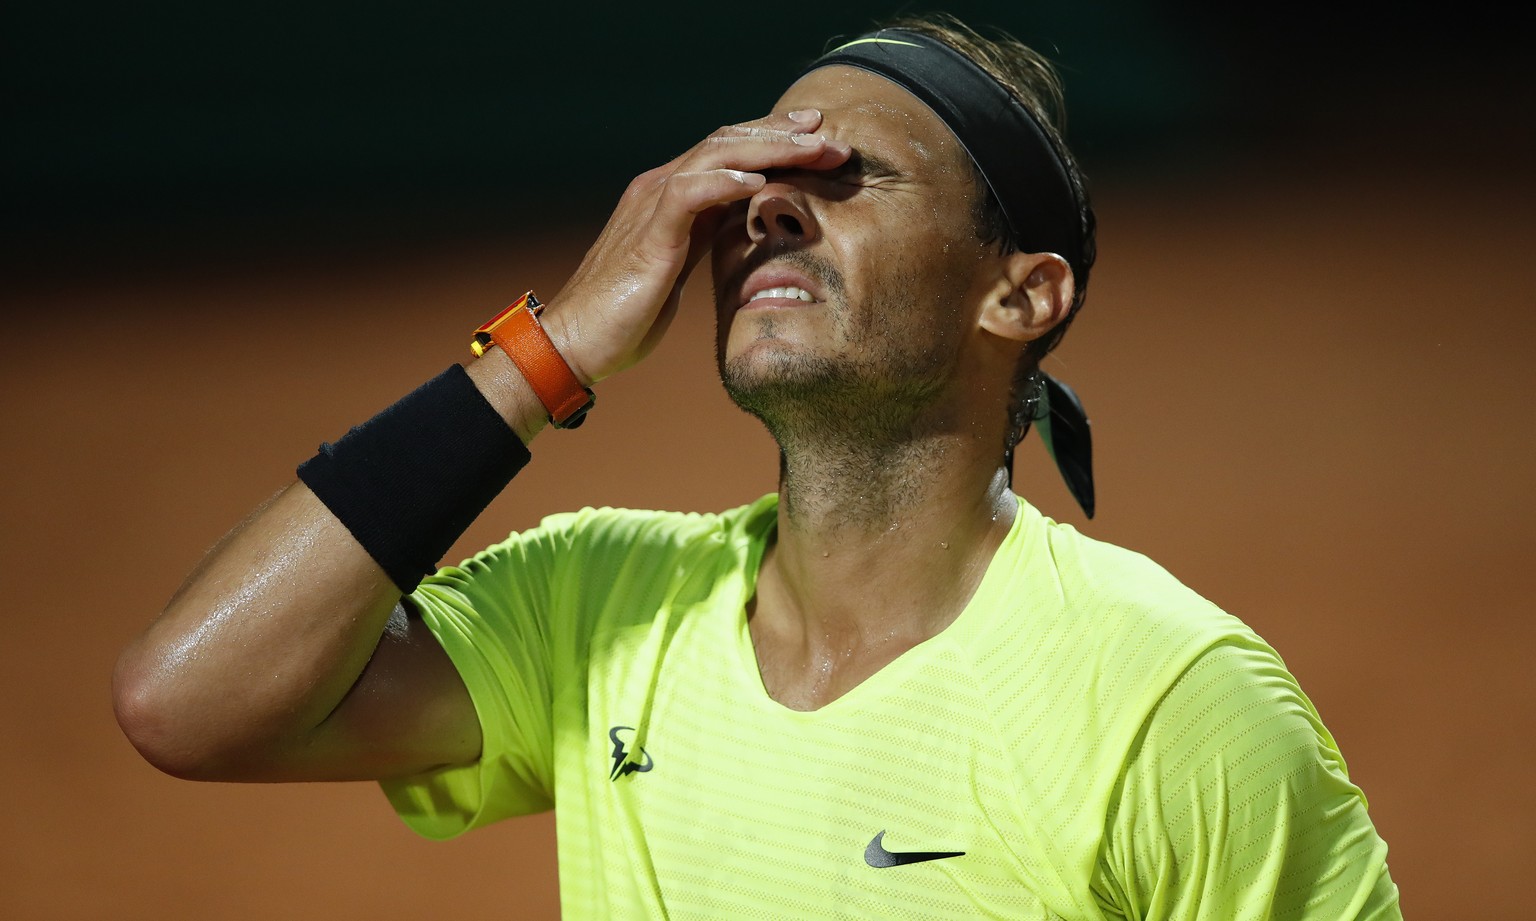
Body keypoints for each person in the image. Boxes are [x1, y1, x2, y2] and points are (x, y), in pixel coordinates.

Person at [113, 13, 1402, 919]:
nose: (766, 205)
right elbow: (189, 699)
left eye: (844, 177)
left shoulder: (1169, 702)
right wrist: (549, 347)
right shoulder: (600, 610)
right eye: (756, 176)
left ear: (1021, 296)